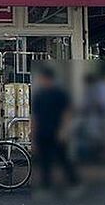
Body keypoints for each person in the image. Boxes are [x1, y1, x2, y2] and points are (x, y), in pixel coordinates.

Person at [31, 66, 80, 194]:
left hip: (57, 130)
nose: (43, 81)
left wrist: (63, 129)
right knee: (44, 160)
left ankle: (73, 182)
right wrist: (33, 135)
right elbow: (35, 116)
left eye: (44, 79)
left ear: (49, 79)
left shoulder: (59, 94)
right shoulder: (39, 96)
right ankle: (46, 185)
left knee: (62, 157)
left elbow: (67, 112)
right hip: (43, 131)